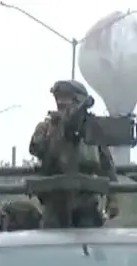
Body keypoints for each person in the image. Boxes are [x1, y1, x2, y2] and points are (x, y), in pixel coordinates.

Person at [29, 79, 119, 228]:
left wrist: (113, 198)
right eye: (58, 98)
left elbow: (107, 165)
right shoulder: (47, 126)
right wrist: (53, 131)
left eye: (66, 98)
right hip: (55, 202)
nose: (61, 102)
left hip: (86, 202)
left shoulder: (92, 131)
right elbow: (35, 147)